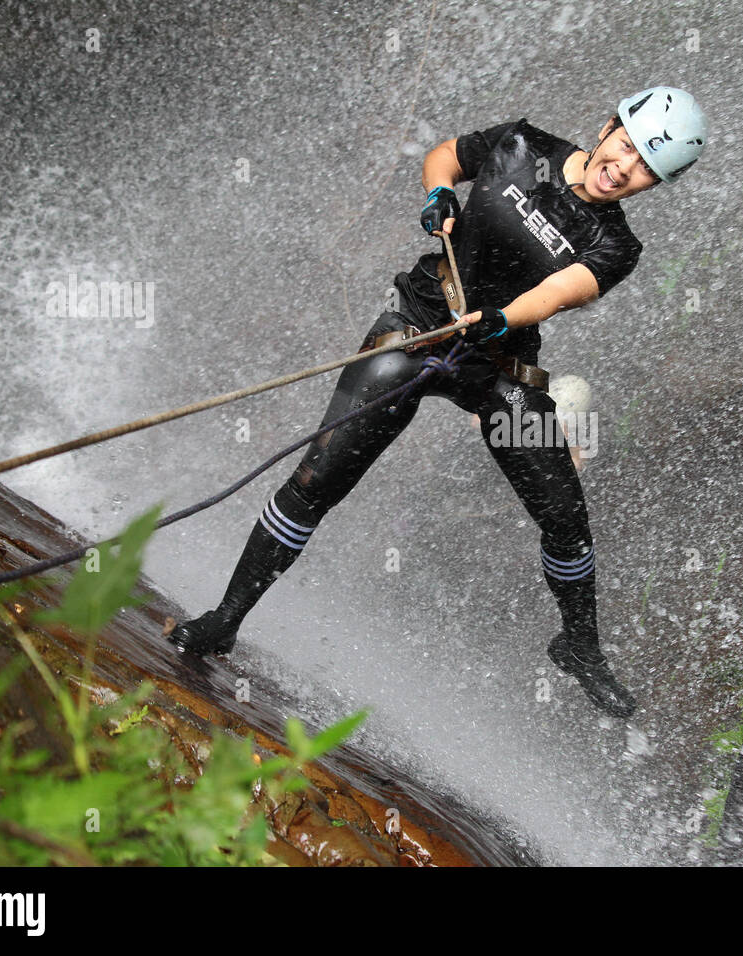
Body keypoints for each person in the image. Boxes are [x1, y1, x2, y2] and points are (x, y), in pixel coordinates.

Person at [168, 87, 708, 719]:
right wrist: (438, 194)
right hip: (419, 325)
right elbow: (445, 157)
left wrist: (502, 318)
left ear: (652, 185)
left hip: (496, 360)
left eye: (647, 166)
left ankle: (580, 646)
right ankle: (224, 621)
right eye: (627, 143)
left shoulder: (617, 245)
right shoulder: (521, 146)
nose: (625, 166)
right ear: (609, 123)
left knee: (563, 514)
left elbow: (560, 291)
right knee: (320, 478)